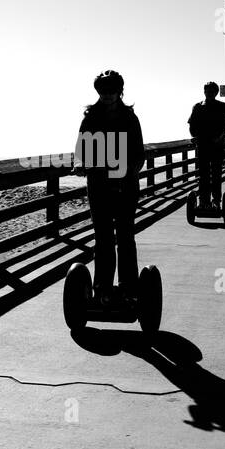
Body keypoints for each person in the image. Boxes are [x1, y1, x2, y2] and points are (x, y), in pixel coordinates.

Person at [75, 70, 146, 306]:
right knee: (103, 236)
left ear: (119, 91)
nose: (106, 96)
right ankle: (102, 288)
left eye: (111, 91)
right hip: (98, 184)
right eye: (102, 92)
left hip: (126, 184)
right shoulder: (91, 117)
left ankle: (129, 287)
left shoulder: (129, 118)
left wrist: (128, 173)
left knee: (126, 235)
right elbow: (81, 150)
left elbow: (138, 153)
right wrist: (81, 164)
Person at [188, 82, 225, 208]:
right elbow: (192, 125)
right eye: (207, 91)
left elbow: (223, 126)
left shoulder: (222, 106)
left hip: (216, 145)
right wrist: (194, 136)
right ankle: (203, 201)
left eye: (212, 91)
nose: (209, 93)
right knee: (203, 174)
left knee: (216, 174)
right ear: (204, 92)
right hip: (203, 144)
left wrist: (218, 138)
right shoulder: (197, 107)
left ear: (216, 93)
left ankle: (216, 200)